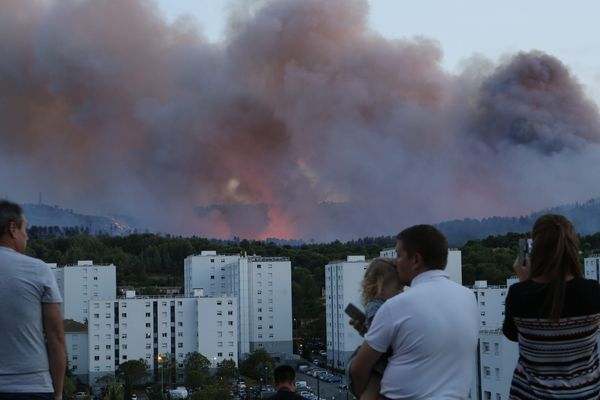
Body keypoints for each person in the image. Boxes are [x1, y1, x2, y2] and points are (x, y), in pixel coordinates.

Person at [349, 224, 479, 399]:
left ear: (416, 260)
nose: (395, 262)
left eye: (399, 255)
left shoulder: (396, 306)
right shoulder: (469, 297)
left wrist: (366, 394)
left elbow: (357, 370)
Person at [503, 214, 600, 399]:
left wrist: (526, 283)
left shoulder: (519, 294)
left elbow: (512, 334)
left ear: (535, 250)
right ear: (572, 247)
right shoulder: (593, 291)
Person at [0, 200, 66, 400]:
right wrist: (58, 393)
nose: (27, 237)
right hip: (31, 387)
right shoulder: (37, 270)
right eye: (25, 229)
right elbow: (56, 338)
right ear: (13, 228)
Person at [346, 258, 403, 399]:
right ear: (381, 287)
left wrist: (366, 331)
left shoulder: (379, 305)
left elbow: (376, 332)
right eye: (398, 288)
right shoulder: (378, 307)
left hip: (379, 357)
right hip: (378, 362)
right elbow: (379, 333)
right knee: (372, 387)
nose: (401, 291)